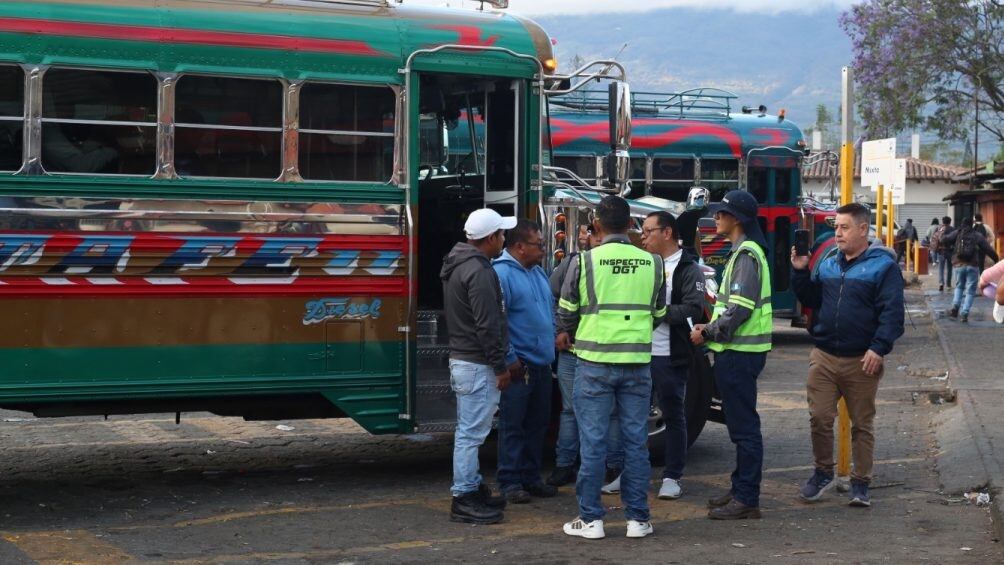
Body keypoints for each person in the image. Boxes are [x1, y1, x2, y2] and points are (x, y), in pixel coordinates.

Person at [557, 195, 666, 540]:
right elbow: (659, 313)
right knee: (635, 443)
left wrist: (570, 330)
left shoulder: (585, 261)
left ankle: (591, 520)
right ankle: (638, 520)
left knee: (593, 442)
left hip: (593, 364)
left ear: (598, 225)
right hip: (636, 364)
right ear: (631, 225)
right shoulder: (653, 263)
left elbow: (566, 311)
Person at [791, 202, 905, 508]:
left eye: (843, 227)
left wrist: (879, 348)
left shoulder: (884, 267)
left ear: (863, 229)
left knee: (862, 424)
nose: (837, 233)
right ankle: (822, 473)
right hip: (825, 355)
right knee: (819, 417)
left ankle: (860, 483)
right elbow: (812, 298)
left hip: (862, 359)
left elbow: (892, 314)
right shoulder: (828, 263)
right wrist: (800, 272)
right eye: (835, 227)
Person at [690, 190, 772, 520]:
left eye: (722, 214)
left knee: (744, 429)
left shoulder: (746, 255)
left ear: (737, 219)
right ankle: (741, 490)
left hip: (739, 353)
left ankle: (747, 498)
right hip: (736, 352)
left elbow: (738, 310)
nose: (717, 219)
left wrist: (706, 332)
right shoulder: (743, 251)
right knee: (741, 427)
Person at [440, 207, 519, 525]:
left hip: (466, 359)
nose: (504, 239)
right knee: (471, 435)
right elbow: (488, 325)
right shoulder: (481, 272)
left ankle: (471, 488)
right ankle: (463, 497)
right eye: (501, 234)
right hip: (477, 363)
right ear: (490, 238)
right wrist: (501, 366)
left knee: (469, 432)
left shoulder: (458, 263)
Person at [641, 211, 706, 500]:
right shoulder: (643, 263)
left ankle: (672, 476)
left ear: (666, 233)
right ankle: (627, 472)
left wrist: (660, 313)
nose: (643, 237)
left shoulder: (688, 267)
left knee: (673, 414)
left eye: (648, 231)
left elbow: (694, 307)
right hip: (639, 352)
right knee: (632, 416)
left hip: (670, 353)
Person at [493, 219, 558, 503]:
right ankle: (509, 482)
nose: (543, 249)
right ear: (519, 247)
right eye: (538, 245)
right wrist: (509, 359)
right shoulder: (501, 275)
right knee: (513, 426)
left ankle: (531, 478)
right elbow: (497, 321)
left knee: (537, 425)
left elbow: (549, 309)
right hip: (520, 368)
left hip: (541, 365)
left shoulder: (538, 273)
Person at [546, 225, 611, 488]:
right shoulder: (575, 262)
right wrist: (561, 330)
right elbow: (553, 296)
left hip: (602, 352)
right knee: (571, 410)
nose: (593, 238)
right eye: (591, 233)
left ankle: (596, 466)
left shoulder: (618, 264)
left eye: (597, 233)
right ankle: (565, 465)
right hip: (575, 351)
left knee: (602, 412)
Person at [942, 217, 1000, 323]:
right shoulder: (976, 235)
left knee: (959, 287)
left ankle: (955, 307)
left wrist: (944, 237)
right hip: (972, 266)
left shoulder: (958, 232)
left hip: (958, 264)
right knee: (970, 291)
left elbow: (944, 239)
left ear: (962, 224)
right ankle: (964, 313)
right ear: (972, 224)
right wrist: (996, 259)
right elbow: (987, 248)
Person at [933, 216, 955, 292]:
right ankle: (948, 284)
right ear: (950, 221)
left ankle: (941, 283)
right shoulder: (952, 229)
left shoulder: (939, 229)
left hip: (941, 251)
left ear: (943, 221)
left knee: (941, 268)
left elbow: (934, 239)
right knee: (949, 268)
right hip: (950, 251)